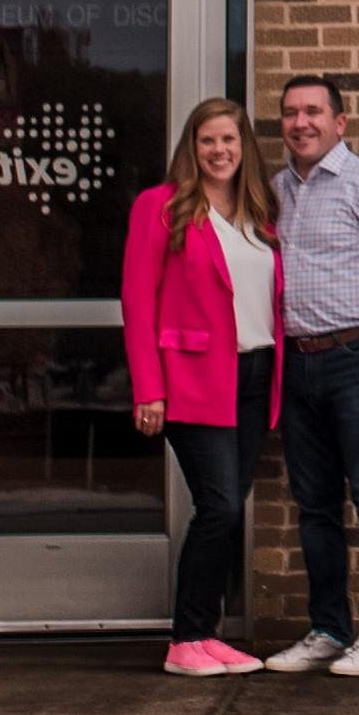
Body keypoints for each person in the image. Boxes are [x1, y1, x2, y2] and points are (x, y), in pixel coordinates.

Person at [262, 69, 359, 677]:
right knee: (316, 505)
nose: (301, 123)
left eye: (313, 112)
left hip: (358, 362)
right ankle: (329, 628)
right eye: (290, 113)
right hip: (298, 365)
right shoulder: (277, 190)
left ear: (340, 121)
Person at [120, 93, 283, 675]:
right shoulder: (161, 207)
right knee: (217, 505)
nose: (219, 150)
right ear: (192, 146)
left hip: (255, 373)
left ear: (245, 148)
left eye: (230, 140)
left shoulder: (259, 211)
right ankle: (185, 640)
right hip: (191, 377)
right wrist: (148, 388)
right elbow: (138, 301)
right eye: (208, 139)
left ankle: (206, 635)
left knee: (230, 507)